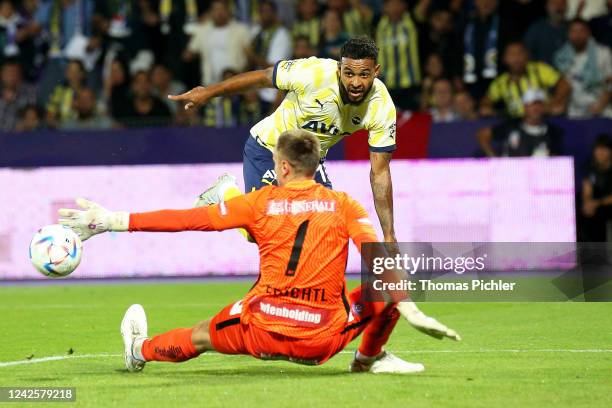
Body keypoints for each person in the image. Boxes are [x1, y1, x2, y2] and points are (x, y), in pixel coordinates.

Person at [58, 130, 459, 374]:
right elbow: (380, 259)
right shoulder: (345, 205)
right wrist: (408, 306)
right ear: (314, 165)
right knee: (386, 288)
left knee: (199, 337)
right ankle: (365, 361)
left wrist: (112, 220)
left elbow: (187, 219)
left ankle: (138, 351)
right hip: (324, 338)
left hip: (261, 330)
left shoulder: (260, 203)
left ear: (283, 167)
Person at [169, 37, 400, 244]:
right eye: (349, 73)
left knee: (325, 225)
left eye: (364, 74)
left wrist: (389, 235)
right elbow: (262, 78)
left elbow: (379, 173)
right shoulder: (313, 73)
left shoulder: (381, 107)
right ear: (339, 69)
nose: (356, 83)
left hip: (310, 162)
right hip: (269, 149)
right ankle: (226, 191)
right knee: (257, 232)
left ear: (376, 71)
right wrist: (209, 92)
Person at [480, 41, 570, 118]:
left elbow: (564, 85)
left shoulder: (538, 70)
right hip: (516, 125)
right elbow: (487, 101)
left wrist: (552, 104)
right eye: (512, 54)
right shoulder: (500, 83)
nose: (516, 58)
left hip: (542, 120)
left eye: (520, 53)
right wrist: (487, 108)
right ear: (505, 59)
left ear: (527, 55)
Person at [477, 89, 563, 157]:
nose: (535, 108)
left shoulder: (552, 132)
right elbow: (482, 134)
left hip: (538, 175)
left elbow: (555, 160)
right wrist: (494, 159)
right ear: (524, 107)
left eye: (539, 104)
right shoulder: (511, 125)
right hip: (510, 175)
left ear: (544, 107)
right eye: (531, 104)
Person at [554, 18, 612, 118]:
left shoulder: (603, 53)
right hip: (575, 112)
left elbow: (610, 81)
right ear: (568, 34)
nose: (577, 35)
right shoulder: (562, 57)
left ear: (588, 33)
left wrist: (600, 105)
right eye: (574, 31)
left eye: (581, 31)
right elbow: (564, 84)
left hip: (601, 109)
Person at [580, 134, 612, 242]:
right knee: (582, 209)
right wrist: (587, 202)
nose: (600, 153)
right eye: (598, 149)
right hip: (597, 202)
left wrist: (597, 203)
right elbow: (587, 188)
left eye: (604, 149)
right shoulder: (589, 165)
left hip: (607, 202)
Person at [524, 0, 568, 66]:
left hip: (569, 72)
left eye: (562, 4)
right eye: (554, 4)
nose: (558, 7)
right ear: (546, 7)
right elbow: (526, 52)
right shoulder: (536, 29)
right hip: (542, 72)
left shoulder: (574, 28)